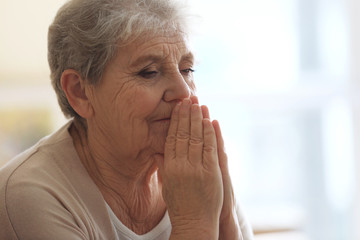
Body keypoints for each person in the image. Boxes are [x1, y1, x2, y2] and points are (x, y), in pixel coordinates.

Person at [0, 0, 253, 239]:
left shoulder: (195, 171)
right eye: (149, 72)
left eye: (187, 69)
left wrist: (225, 213)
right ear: (80, 92)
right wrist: (193, 222)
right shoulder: (28, 194)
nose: (184, 92)